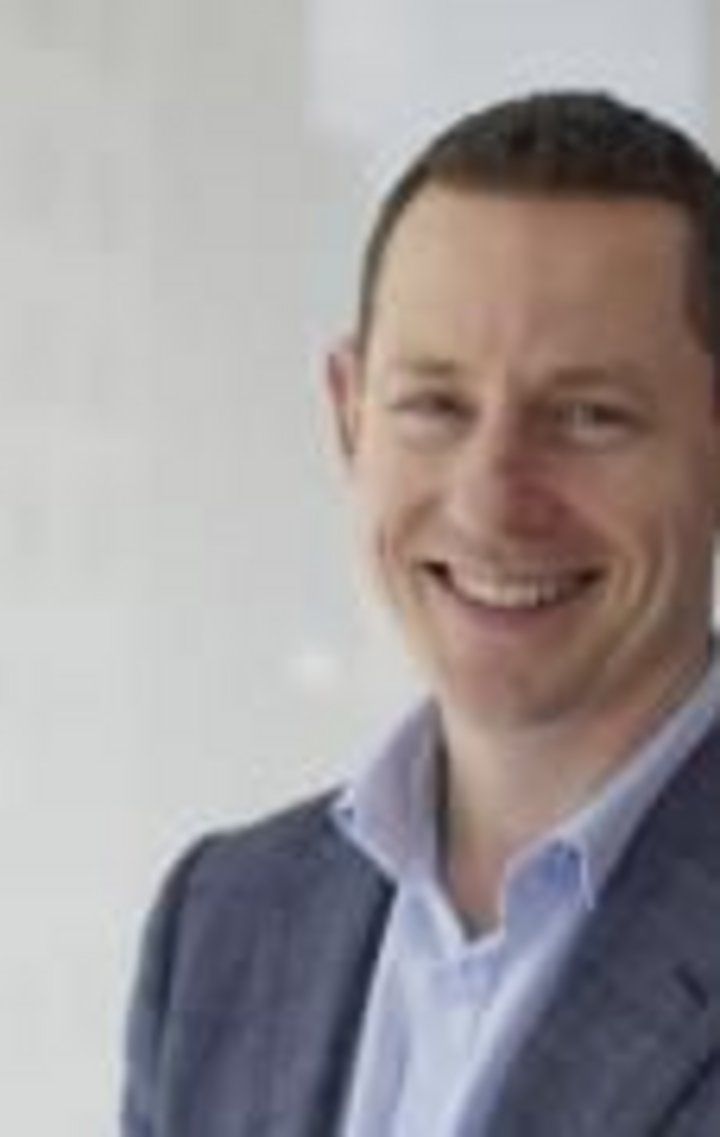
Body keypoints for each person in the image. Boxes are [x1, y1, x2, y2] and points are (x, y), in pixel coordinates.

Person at [121, 89, 720, 1137]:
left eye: (590, 416)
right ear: (349, 415)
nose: (492, 500)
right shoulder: (220, 925)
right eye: (436, 404)